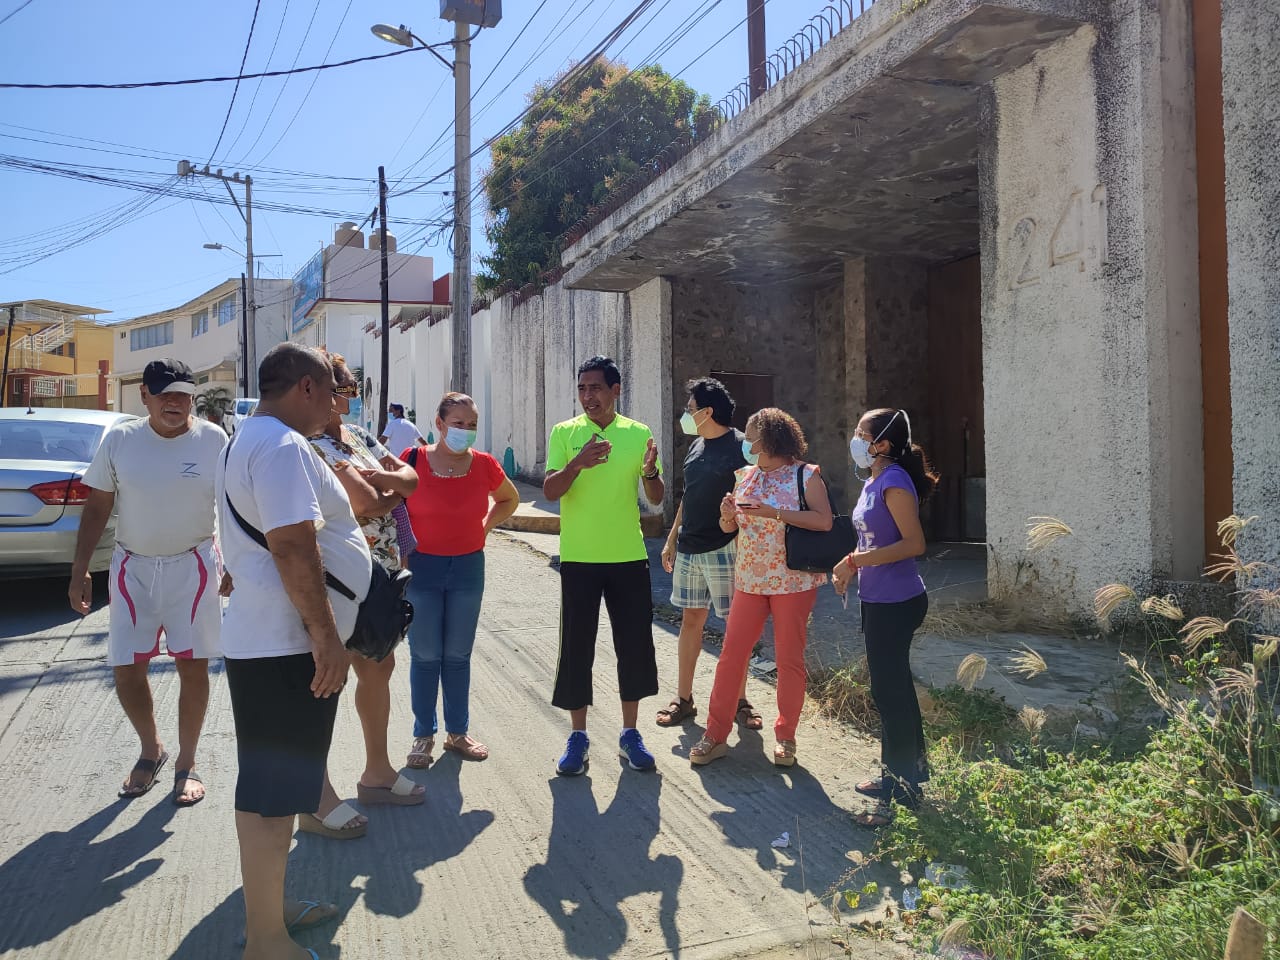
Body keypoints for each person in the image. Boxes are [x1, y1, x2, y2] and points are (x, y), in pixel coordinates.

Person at [216, 342, 371, 960]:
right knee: (271, 798)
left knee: (278, 789)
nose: (335, 404)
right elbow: (291, 546)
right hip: (285, 647)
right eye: (331, 392)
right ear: (306, 387)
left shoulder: (252, 439)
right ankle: (265, 941)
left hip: (275, 642)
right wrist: (326, 637)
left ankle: (269, 910)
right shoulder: (280, 446)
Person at [68, 358, 227, 806]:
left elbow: (234, 503)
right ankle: (151, 749)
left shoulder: (214, 439)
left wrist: (234, 562)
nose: (174, 403)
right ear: (144, 396)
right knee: (126, 667)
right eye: (164, 394)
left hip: (194, 566)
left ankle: (187, 763)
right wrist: (80, 569)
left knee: (192, 665)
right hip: (132, 567)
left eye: (182, 394)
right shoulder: (120, 440)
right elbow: (98, 506)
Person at [307, 354, 425, 814]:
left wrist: (387, 485)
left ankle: (377, 771)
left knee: (378, 668)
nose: (348, 399)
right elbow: (369, 503)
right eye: (342, 389)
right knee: (325, 679)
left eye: (353, 389)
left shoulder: (355, 437)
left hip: (382, 573)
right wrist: (389, 487)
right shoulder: (311, 445)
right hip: (339, 577)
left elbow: (412, 479)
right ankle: (317, 791)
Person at [689, 407, 832, 768]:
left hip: (792, 582)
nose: (746, 442)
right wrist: (726, 515)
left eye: (752, 436)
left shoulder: (806, 475)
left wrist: (775, 513)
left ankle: (786, 737)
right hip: (750, 580)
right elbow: (730, 529)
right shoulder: (745, 476)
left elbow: (824, 521)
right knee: (731, 656)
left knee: (788, 660)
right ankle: (715, 734)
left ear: (769, 439)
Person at [543, 356, 664, 776]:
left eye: (596, 387)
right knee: (577, 648)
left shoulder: (639, 433)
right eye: (582, 388)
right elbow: (551, 489)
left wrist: (650, 470)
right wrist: (578, 463)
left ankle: (630, 734)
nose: (588, 395)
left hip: (629, 557)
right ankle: (578, 737)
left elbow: (657, 495)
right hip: (579, 558)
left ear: (616, 390)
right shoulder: (565, 433)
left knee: (634, 646)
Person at [401, 392, 520, 768]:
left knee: (456, 655)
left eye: (472, 426)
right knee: (424, 655)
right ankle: (423, 735)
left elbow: (508, 500)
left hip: (468, 568)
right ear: (438, 424)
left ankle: (457, 733)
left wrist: (485, 527)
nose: (465, 432)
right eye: (458, 424)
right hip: (422, 569)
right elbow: (394, 509)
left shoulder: (484, 465)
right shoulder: (413, 461)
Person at [832, 407, 936, 828]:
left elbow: (914, 543)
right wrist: (849, 562)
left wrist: (854, 561)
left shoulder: (894, 482)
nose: (855, 439)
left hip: (897, 602)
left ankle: (899, 794)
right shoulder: (873, 481)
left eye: (862, 433)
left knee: (889, 696)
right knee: (895, 692)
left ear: (883, 444)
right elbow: (870, 538)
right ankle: (909, 775)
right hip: (877, 600)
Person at [657, 378, 760, 729]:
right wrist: (672, 539)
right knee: (691, 621)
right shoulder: (696, 446)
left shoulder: (743, 447)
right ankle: (684, 699)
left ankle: (740, 700)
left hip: (727, 549)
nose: (686, 415)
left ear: (707, 412)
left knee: (736, 628)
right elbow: (690, 496)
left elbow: (753, 496)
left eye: (690, 410)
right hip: (690, 548)